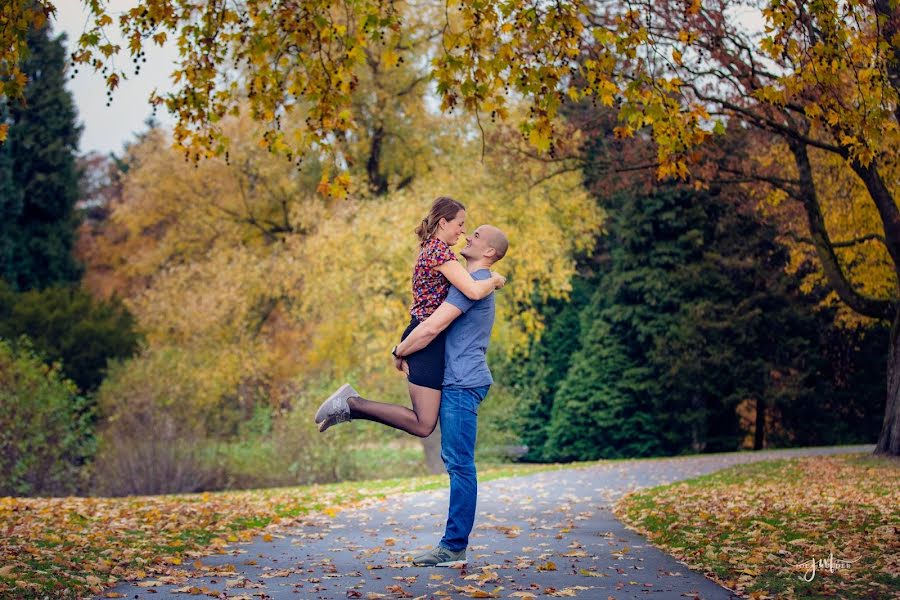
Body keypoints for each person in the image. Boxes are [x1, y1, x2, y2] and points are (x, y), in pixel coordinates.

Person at [314, 197, 505, 436]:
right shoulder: (439, 252)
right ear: (444, 223)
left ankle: (350, 408)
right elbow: (474, 290)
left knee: (423, 423)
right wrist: (495, 280)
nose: (463, 231)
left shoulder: (433, 250)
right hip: (426, 338)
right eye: (460, 224)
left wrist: (402, 349)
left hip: (422, 336)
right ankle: (352, 405)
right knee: (423, 424)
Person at [392, 224, 509, 567]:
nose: (467, 237)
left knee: (460, 465)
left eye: (475, 236)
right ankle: (453, 544)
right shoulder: (473, 284)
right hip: (461, 381)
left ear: (488, 251)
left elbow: (430, 329)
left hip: (462, 383)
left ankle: (453, 546)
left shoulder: (470, 288)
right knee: (457, 463)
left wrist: (398, 351)